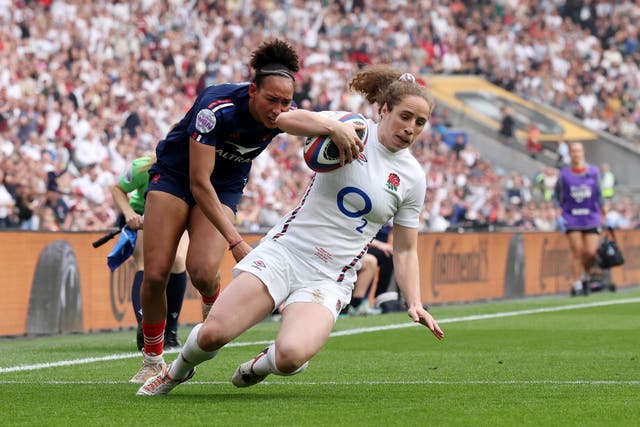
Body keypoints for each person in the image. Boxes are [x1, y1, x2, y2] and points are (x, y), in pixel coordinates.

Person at [136, 65, 445, 396]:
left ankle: (262, 364)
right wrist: (330, 127)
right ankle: (175, 373)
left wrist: (414, 301)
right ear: (384, 110)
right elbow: (283, 120)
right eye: (405, 116)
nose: (410, 128)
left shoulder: (413, 178)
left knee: (291, 357)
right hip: (285, 252)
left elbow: (406, 248)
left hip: (330, 277)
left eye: (420, 122)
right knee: (213, 334)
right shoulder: (351, 127)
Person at [130, 38, 363, 384]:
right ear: (252, 90)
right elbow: (198, 182)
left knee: (203, 270)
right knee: (156, 273)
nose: (278, 110)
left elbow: (310, 122)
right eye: (271, 100)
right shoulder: (215, 108)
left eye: (285, 102)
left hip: (226, 184)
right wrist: (235, 240)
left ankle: (211, 301)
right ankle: (152, 359)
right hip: (178, 176)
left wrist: (333, 126)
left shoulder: (284, 113)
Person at [111, 154, 188, 351]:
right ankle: (145, 328)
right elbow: (117, 188)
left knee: (178, 261)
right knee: (144, 263)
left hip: (179, 218)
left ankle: (170, 332)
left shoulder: (199, 166)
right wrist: (129, 213)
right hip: (145, 217)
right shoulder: (142, 166)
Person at [554, 142, 604, 296]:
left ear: (583, 153)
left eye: (578, 151)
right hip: (572, 217)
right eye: (573, 151)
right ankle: (576, 283)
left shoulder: (594, 172)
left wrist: (604, 210)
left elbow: (600, 194)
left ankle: (586, 276)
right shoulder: (564, 174)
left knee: (590, 252)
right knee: (577, 251)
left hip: (591, 216)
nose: (576, 154)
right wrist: (557, 209)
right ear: (570, 154)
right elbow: (556, 195)